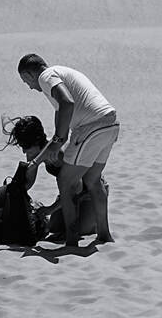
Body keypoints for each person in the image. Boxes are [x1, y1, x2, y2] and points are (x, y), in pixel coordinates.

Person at [16, 54, 117, 246]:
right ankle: (104, 235)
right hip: (110, 122)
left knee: (66, 181)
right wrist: (36, 163)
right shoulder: (60, 73)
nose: (29, 87)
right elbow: (60, 111)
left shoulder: (46, 76)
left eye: (25, 81)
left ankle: (71, 241)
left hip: (91, 126)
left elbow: (67, 103)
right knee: (93, 180)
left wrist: (59, 139)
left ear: (30, 74)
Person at [0, 115, 99, 239]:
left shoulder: (58, 155)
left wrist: (51, 209)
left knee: (81, 231)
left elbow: (76, 188)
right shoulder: (36, 151)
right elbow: (29, 182)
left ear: (37, 142)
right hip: (67, 193)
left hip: (88, 191)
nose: (24, 152)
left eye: (26, 147)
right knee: (54, 229)